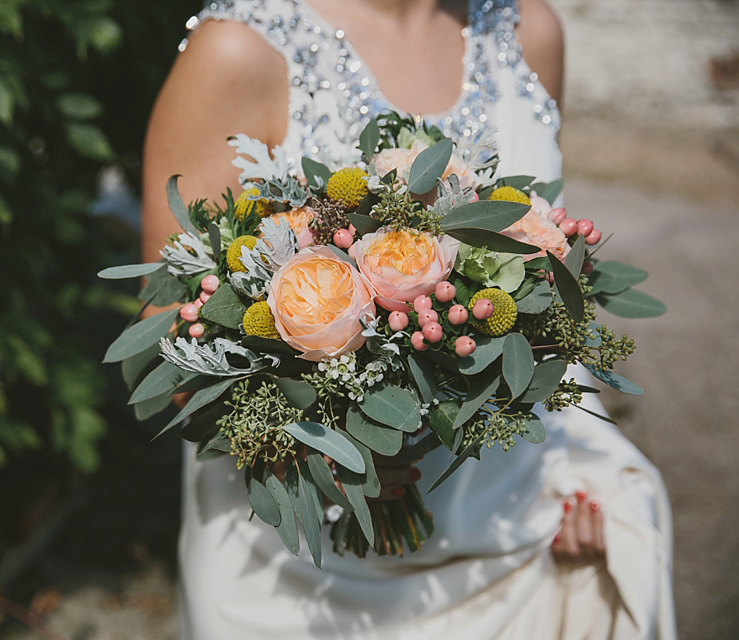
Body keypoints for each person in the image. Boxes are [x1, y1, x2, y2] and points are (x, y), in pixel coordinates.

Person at [141, 1, 676, 638]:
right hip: (297, 581)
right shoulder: (239, 50)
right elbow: (171, 342)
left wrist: (588, 480)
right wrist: (323, 449)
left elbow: (547, 303)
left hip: (513, 539)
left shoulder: (529, 31)